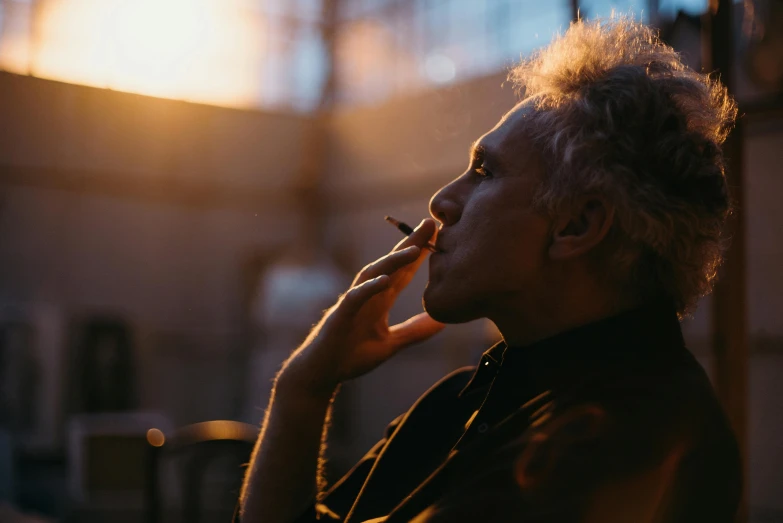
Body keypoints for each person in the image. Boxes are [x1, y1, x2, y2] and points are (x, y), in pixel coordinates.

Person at [237, 17, 741, 523]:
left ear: (577, 224)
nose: (440, 202)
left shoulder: (624, 436)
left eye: (484, 172)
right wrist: (303, 390)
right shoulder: (458, 402)